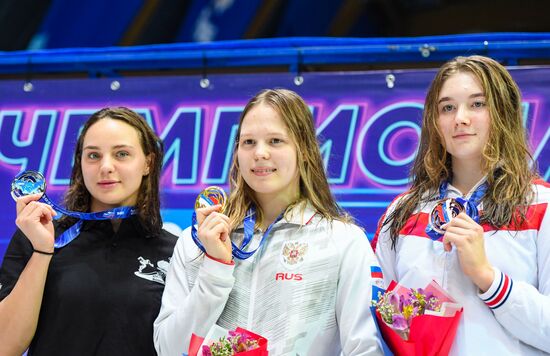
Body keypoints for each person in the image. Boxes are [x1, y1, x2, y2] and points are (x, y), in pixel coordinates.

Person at [154, 89, 382, 355]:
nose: (260, 153)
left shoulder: (342, 241)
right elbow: (169, 350)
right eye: (248, 142)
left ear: (305, 150)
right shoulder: (198, 241)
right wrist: (215, 269)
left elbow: (366, 348)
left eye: (275, 141)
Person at [371, 55, 550, 355]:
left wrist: (489, 280)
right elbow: (375, 323)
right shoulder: (402, 212)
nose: (460, 118)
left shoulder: (541, 205)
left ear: (503, 113)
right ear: (435, 121)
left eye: (477, 104)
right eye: (448, 108)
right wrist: (405, 316)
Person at [0, 107, 177, 355]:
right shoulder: (39, 236)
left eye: (122, 154)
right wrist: (42, 252)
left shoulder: (176, 252)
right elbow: (5, 346)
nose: (106, 167)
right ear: (80, 163)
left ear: (148, 162)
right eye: (93, 156)